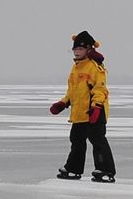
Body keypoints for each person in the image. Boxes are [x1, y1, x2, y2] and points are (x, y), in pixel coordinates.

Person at [49, 30, 115, 182]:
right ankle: (73, 169)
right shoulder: (76, 68)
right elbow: (73, 91)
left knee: (97, 140)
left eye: (80, 49)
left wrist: (97, 108)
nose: (77, 52)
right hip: (79, 113)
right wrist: (63, 103)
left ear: (88, 50)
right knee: (76, 140)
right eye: (75, 49)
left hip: (94, 112)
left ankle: (105, 170)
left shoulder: (94, 67)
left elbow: (100, 89)